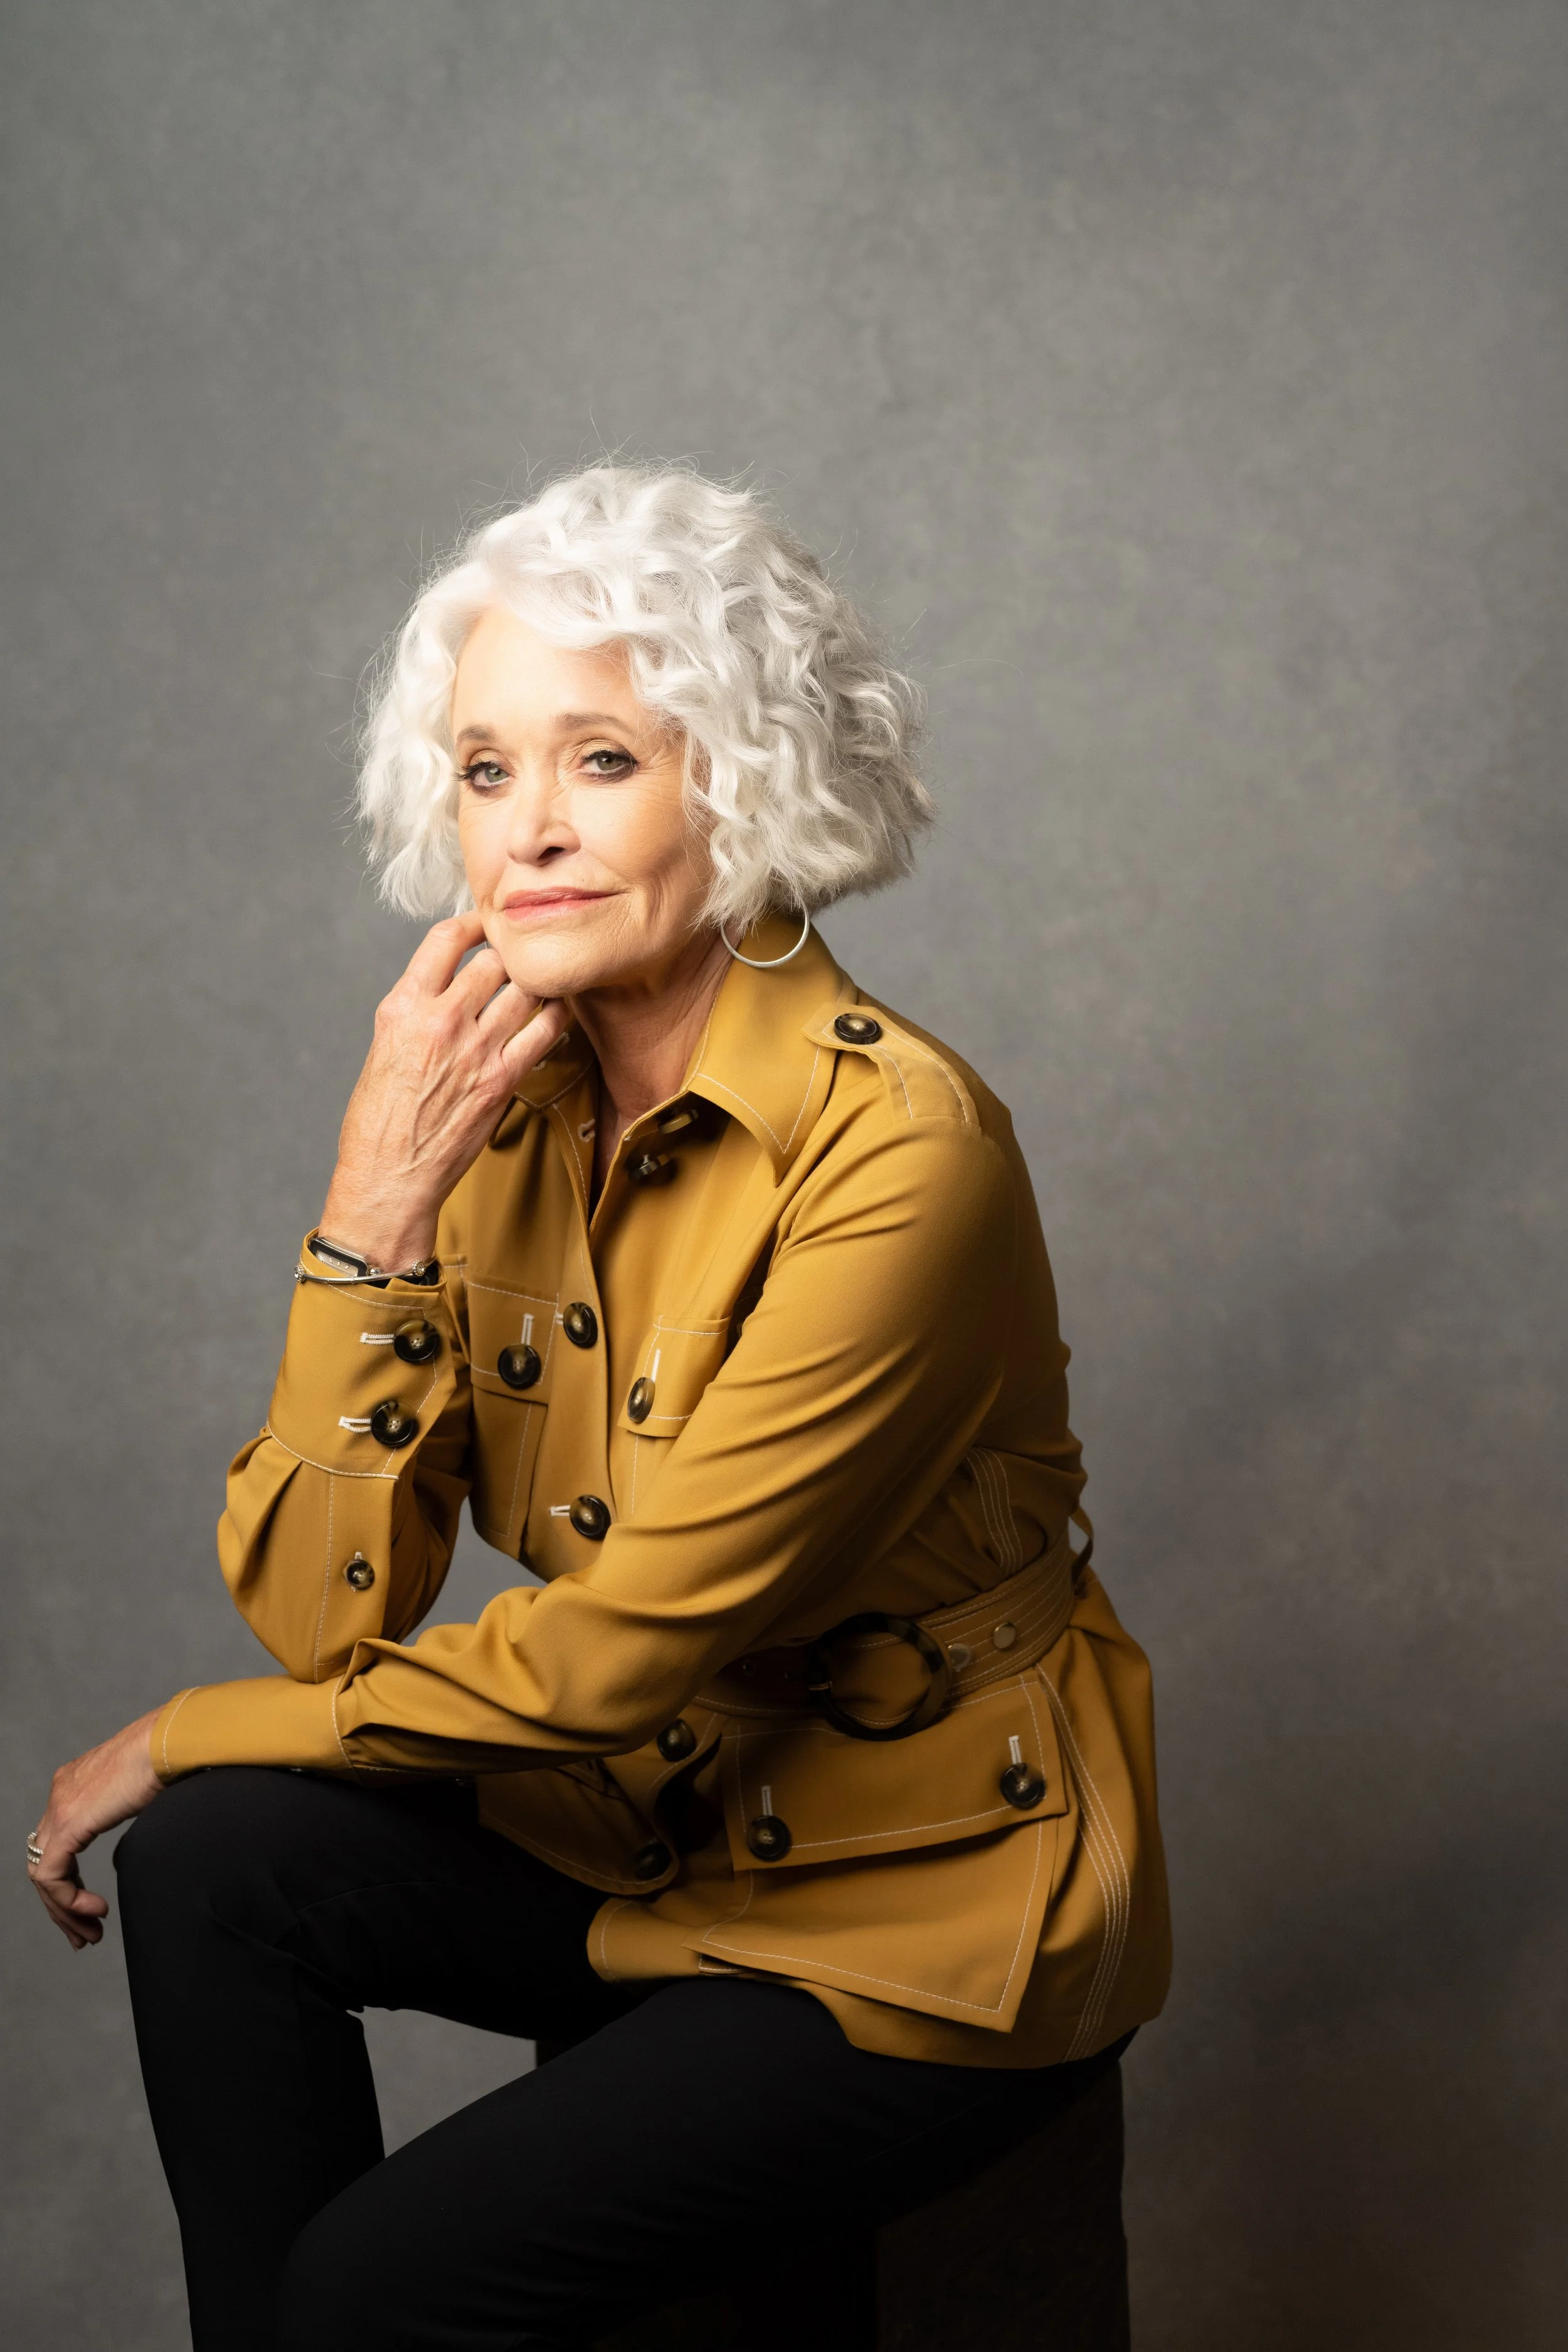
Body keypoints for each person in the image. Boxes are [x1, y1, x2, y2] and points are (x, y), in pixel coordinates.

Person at [28, 465, 1171, 2352]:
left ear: (744, 781)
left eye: (601, 762)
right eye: (485, 771)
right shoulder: (487, 1099)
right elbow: (324, 1618)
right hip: (654, 1822)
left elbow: (613, 1657)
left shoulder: (900, 1152)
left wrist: (178, 1726)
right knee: (218, 1869)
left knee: (367, 2284)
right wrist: (365, 1223)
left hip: (918, 1899)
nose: (527, 833)